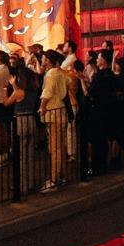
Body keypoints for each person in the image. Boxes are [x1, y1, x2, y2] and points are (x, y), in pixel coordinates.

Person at [39, 56, 75, 191]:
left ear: (48, 61)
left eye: (44, 59)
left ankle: (54, 179)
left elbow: (47, 92)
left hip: (53, 112)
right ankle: (61, 175)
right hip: (62, 111)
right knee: (60, 146)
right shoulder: (60, 72)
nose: (43, 61)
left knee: (54, 148)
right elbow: (69, 82)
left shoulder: (51, 74)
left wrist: (42, 106)